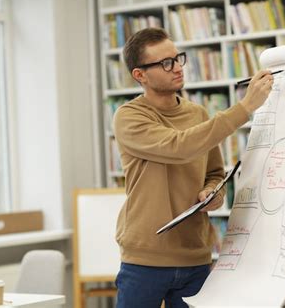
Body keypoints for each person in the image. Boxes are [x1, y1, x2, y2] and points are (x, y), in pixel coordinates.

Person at [113, 27, 274, 308]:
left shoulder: (197, 114)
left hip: (195, 258)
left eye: (178, 58)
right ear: (140, 75)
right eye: (165, 63)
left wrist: (212, 192)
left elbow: (213, 172)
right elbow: (179, 146)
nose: (177, 68)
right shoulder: (129, 117)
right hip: (144, 260)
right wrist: (245, 107)